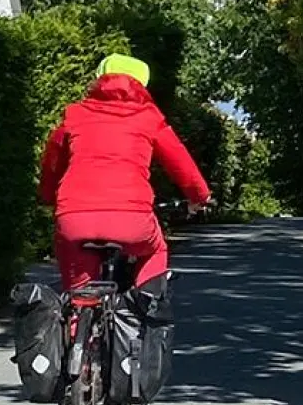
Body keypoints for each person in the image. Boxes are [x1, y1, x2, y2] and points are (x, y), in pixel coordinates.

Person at [37, 54, 212, 296]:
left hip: (75, 217)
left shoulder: (75, 114)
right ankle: (145, 305)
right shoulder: (149, 117)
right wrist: (199, 197)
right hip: (133, 219)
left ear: (99, 78)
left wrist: (48, 197)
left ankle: (78, 311)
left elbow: (52, 162)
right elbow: (181, 164)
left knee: (79, 287)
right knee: (156, 250)